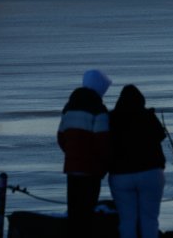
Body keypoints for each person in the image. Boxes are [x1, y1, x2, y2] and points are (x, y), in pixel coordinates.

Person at [58, 69, 112, 238]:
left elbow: (61, 136)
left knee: (74, 212)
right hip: (91, 169)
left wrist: (72, 153)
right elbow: (102, 142)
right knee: (87, 212)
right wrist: (104, 165)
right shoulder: (99, 109)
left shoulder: (69, 107)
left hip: (72, 166)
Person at [108, 84, 167, 238]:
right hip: (151, 172)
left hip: (121, 174)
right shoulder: (148, 116)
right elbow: (161, 135)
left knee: (127, 220)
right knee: (150, 219)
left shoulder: (112, 119)